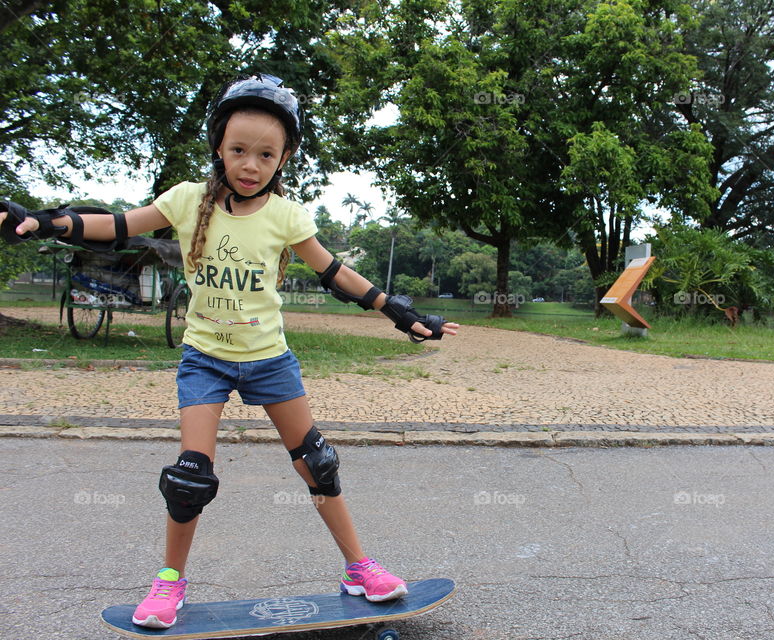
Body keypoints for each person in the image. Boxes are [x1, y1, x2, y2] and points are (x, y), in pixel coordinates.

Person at [0, 73, 459, 630]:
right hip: (205, 359)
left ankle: (359, 568)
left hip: (269, 359)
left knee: (319, 465)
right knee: (190, 477)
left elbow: (335, 273)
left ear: (284, 158)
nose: (250, 164)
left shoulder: (287, 216)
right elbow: (118, 226)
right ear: (218, 145)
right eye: (239, 149)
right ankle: (169, 584)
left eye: (266, 154)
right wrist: (48, 222)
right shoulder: (188, 201)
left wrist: (403, 313)